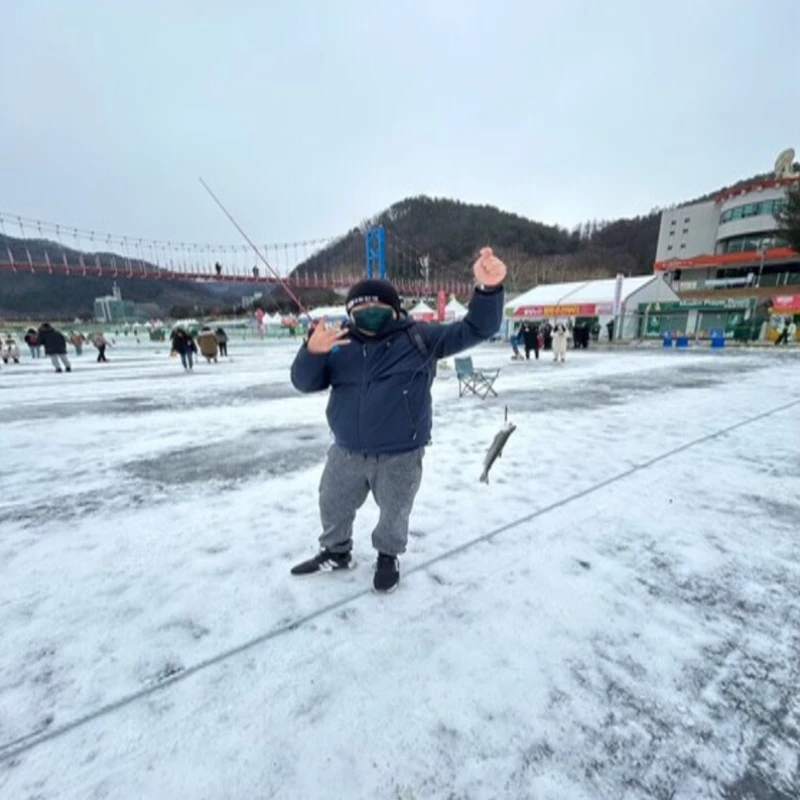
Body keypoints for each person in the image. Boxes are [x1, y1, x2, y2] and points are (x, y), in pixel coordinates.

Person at [289, 246, 506, 593]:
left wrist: (489, 290)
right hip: (346, 451)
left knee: (394, 512)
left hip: (401, 452)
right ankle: (336, 551)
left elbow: (478, 327)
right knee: (332, 503)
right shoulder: (338, 342)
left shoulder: (421, 338)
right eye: (359, 308)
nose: (367, 312)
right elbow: (304, 382)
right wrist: (312, 352)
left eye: (377, 307)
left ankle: (387, 556)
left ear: (394, 309)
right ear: (349, 312)